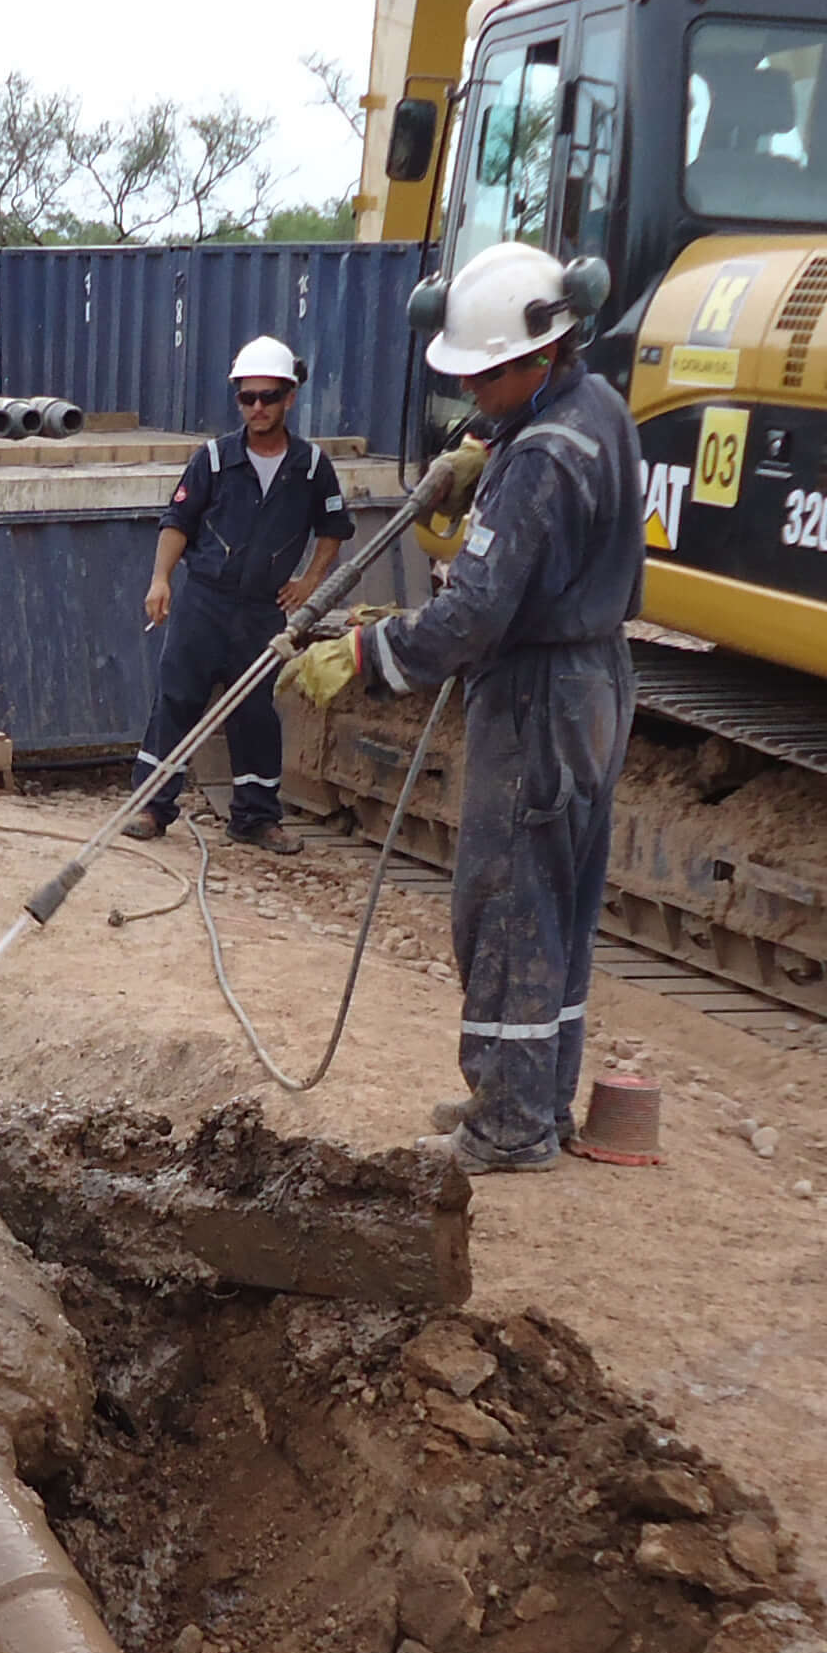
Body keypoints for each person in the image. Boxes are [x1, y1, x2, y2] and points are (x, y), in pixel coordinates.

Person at [288, 242, 639, 1170]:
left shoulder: (539, 465)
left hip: (537, 696)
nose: (472, 394)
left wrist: (367, 653)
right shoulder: (592, 408)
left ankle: (510, 1125)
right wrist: (482, 455)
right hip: (595, 679)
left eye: (485, 380)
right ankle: (534, 1096)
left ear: (539, 358)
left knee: (509, 900)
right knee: (559, 900)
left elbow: (476, 615)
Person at [124, 335, 350, 854]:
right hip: (205, 601)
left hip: (263, 611)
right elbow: (177, 521)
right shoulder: (214, 460)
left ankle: (254, 817)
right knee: (177, 699)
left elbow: (334, 527)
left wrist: (311, 582)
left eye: (268, 397)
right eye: (247, 398)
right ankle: (152, 809)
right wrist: (161, 580)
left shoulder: (312, 468)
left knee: (256, 713)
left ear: (289, 397)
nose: (257, 408)